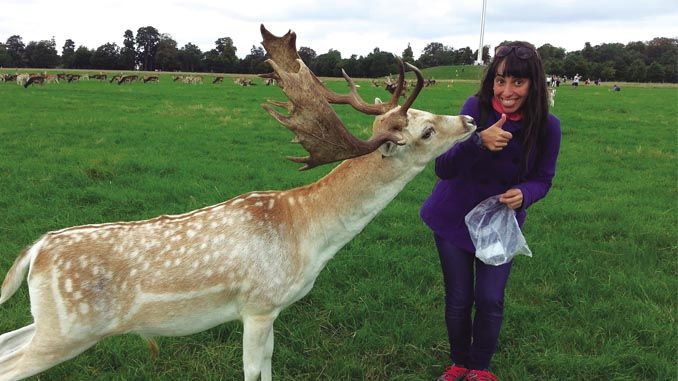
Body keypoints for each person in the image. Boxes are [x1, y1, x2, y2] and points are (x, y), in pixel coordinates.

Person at [420, 41, 561, 381]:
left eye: (518, 82)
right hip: (454, 217)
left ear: (534, 84)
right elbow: (443, 167)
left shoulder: (547, 126)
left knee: (490, 298)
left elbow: (543, 178)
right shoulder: (475, 109)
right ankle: (458, 364)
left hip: (499, 224)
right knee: (459, 296)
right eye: (500, 80)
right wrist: (477, 141)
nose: (507, 91)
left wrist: (525, 194)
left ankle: (480, 369)